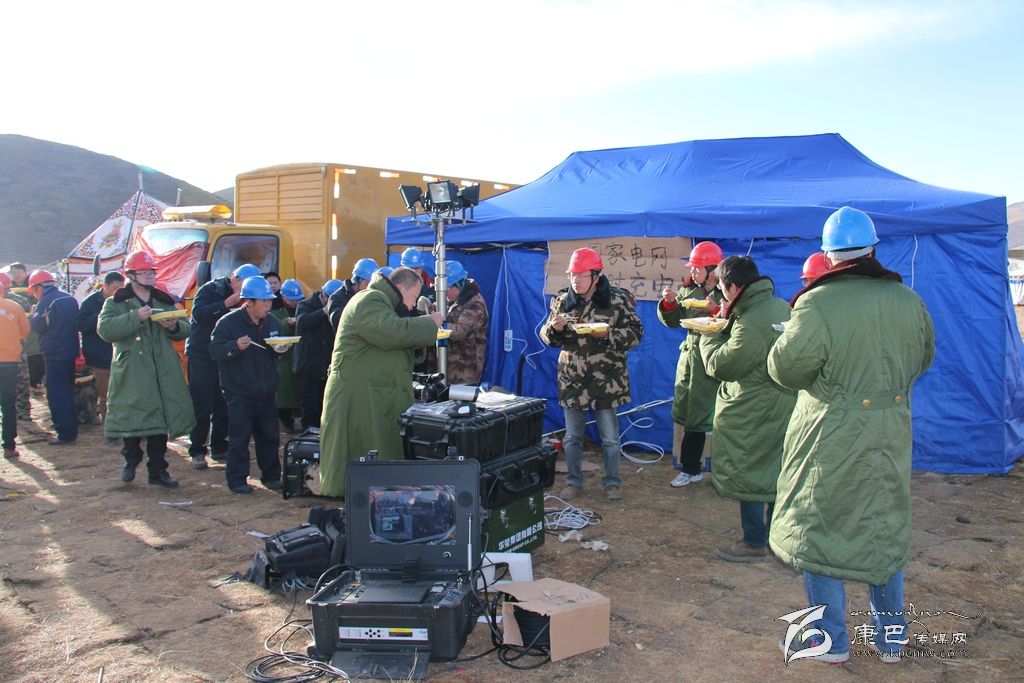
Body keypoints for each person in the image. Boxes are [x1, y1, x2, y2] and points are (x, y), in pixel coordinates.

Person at [769, 207, 935, 664]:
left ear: (828, 256)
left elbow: (785, 370)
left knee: (820, 530)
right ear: (872, 250)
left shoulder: (818, 303)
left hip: (832, 435)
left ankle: (831, 640)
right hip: (890, 431)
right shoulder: (908, 299)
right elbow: (923, 357)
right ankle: (891, 639)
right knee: (884, 527)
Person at [697, 256, 796, 562]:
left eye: (721, 287)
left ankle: (754, 541)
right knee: (776, 470)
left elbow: (721, 365)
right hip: (783, 402)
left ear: (733, 287)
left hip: (754, 407)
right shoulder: (780, 306)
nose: (720, 293)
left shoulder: (751, 322)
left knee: (749, 470)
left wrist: (709, 334)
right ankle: (777, 536)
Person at [318, 267, 443, 497]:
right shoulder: (370, 300)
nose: (413, 305)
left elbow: (395, 344)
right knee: (362, 455)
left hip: (372, 395)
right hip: (358, 398)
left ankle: (377, 497)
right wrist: (429, 323)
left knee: (377, 454)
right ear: (401, 288)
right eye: (414, 296)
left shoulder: (384, 304)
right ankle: (357, 500)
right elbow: (392, 332)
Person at [540, 247, 643, 501]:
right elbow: (548, 337)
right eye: (572, 275)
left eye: (581, 275)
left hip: (606, 380)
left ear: (596, 276)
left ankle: (612, 482)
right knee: (572, 437)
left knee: (610, 438)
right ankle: (574, 481)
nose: (575, 280)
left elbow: (636, 334)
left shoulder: (617, 300)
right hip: (572, 380)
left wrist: (608, 335)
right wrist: (554, 330)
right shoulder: (563, 300)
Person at [98, 252, 195, 488]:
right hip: (133, 371)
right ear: (131, 275)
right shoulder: (116, 302)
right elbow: (105, 330)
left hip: (162, 371)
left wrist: (173, 326)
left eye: (152, 272)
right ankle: (130, 460)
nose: (150, 276)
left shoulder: (162, 299)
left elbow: (186, 328)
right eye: (144, 272)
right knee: (132, 417)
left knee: (159, 423)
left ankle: (158, 471)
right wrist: (135, 317)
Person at [657, 241, 725, 487]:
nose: (693, 272)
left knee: (721, 415)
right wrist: (669, 304)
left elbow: (739, 323)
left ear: (713, 269)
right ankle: (690, 468)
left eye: (697, 268)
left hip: (718, 360)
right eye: (692, 268)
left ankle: (723, 470)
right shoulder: (689, 291)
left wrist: (716, 311)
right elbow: (674, 320)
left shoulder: (728, 291)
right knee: (691, 414)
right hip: (691, 360)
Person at [209, 276, 284, 494]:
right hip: (239, 392)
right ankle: (237, 480)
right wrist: (234, 346)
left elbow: (276, 352)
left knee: (269, 437)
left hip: (267, 391)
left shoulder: (272, 322)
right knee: (239, 439)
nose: (268, 306)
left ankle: (271, 477)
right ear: (248, 302)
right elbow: (215, 351)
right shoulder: (228, 323)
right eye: (264, 301)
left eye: (269, 301)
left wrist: (281, 350)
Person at [185, 262, 260, 469]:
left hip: (227, 353)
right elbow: (198, 315)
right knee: (201, 403)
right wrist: (226, 303)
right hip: (202, 354)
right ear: (235, 279)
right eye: (244, 285)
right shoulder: (211, 289)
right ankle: (197, 450)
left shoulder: (248, 297)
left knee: (224, 402)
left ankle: (219, 446)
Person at [28, 269, 80, 446]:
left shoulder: (46, 301)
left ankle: (65, 433)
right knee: (68, 391)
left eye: (33, 291)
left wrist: (32, 317)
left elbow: (39, 326)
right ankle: (71, 428)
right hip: (70, 352)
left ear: (39, 287)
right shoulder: (69, 298)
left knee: (57, 394)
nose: (34, 295)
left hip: (53, 353)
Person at [294, 278, 343, 429]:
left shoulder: (338, 308)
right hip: (309, 365)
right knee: (310, 405)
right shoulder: (306, 305)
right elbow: (302, 322)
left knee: (326, 405)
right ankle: (308, 433)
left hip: (326, 365)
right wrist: (323, 312)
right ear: (324, 295)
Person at [77, 271, 125, 424]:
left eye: (121, 288)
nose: (118, 292)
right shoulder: (90, 302)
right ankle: (109, 427)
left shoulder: (123, 302)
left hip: (118, 355)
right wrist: (101, 317)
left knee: (120, 394)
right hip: (98, 356)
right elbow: (81, 325)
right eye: (115, 288)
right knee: (106, 395)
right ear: (105, 286)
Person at [442, 260, 489, 385]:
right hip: (451, 368)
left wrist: (438, 325)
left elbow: (460, 332)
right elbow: (449, 314)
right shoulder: (458, 299)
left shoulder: (475, 304)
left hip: (465, 371)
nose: (445, 293)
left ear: (459, 285)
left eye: (448, 288)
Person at [0, 273, 30, 458]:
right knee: (8, 404)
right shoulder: (15, 306)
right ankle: (9, 446)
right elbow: (25, 332)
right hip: (9, 361)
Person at [271, 278, 303, 433]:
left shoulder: (304, 306)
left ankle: (297, 416)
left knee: (298, 389)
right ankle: (286, 420)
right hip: (283, 356)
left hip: (298, 353)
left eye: (297, 300)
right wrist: (287, 323)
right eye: (292, 300)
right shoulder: (274, 308)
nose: (294, 303)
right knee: (284, 390)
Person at [328, 258, 379, 330]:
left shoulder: (371, 296)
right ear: (359, 279)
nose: (371, 287)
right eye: (369, 283)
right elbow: (336, 319)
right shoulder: (337, 297)